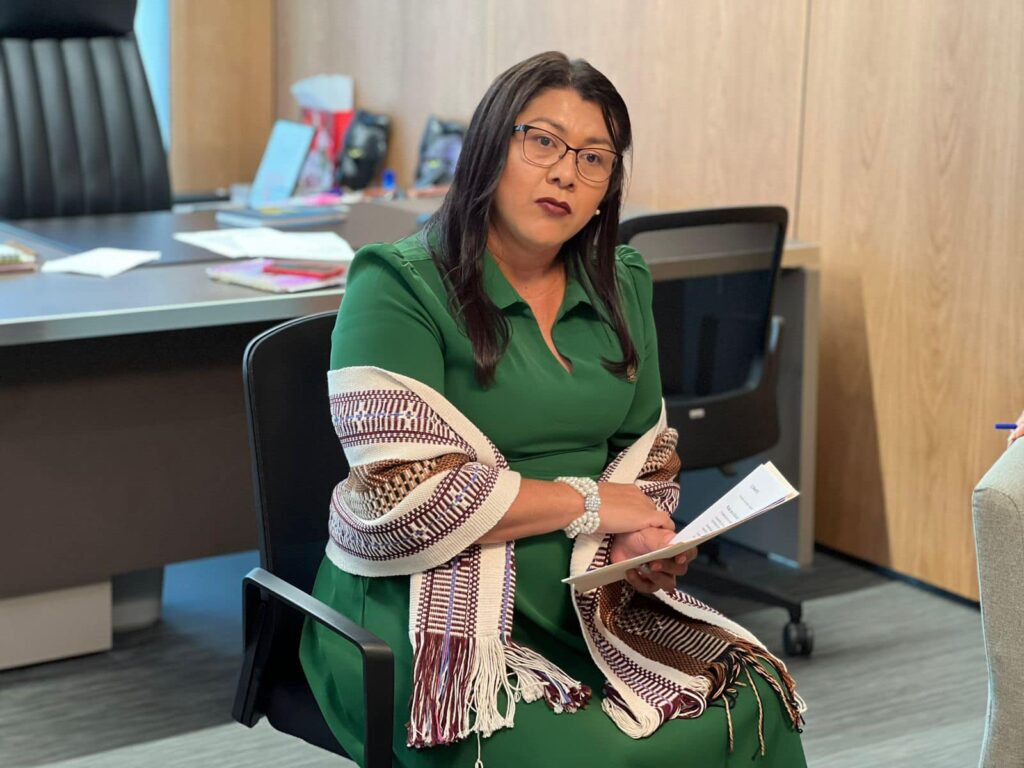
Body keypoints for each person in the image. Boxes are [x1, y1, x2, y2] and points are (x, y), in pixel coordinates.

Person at [300, 52, 806, 767]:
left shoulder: (621, 284)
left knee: (755, 701)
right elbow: (401, 496)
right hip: (428, 615)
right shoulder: (397, 283)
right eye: (543, 142)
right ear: (490, 147)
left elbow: (648, 457)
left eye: (594, 158)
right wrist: (595, 504)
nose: (567, 173)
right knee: (602, 758)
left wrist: (643, 537)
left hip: (587, 591)